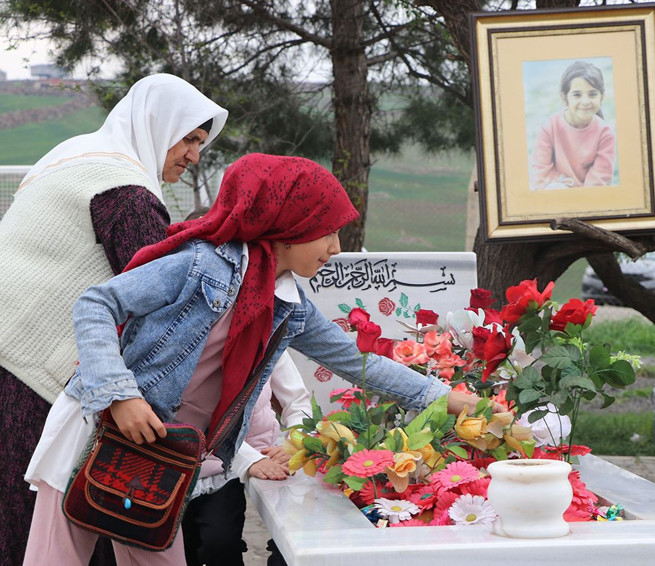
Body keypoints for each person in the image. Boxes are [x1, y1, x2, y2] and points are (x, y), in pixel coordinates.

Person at [22, 153, 491, 565]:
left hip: (161, 456)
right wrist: (120, 395)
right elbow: (96, 303)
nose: (336, 249)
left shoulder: (288, 304)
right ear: (287, 229)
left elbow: (358, 361)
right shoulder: (201, 265)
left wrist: (447, 398)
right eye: (327, 233)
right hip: (97, 433)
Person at [0, 72, 228, 566]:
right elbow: (163, 308)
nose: (194, 155)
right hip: (32, 375)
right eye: (188, 138)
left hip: (10, 348)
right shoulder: (127, 191)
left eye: (200, 143)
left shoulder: (74, 155)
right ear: (156, 124)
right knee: (67, 516)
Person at [182, 351, 310, 566]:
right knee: (183, 546)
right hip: (178, 456)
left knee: (221, 542)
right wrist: (248, 458)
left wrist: (297, 443)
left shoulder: (271, 336)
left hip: (228, 466)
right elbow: (193, 416)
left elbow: (297, 400)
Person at [530, 60, 616, 190]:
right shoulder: (549, 127)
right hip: (556, 193)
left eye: (592, 94)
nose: (585, 101)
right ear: (564, 97)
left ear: (602, 96)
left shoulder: (605, 133)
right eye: (577, 95)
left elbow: (599, 180)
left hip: (590, 197)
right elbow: (541, 174)